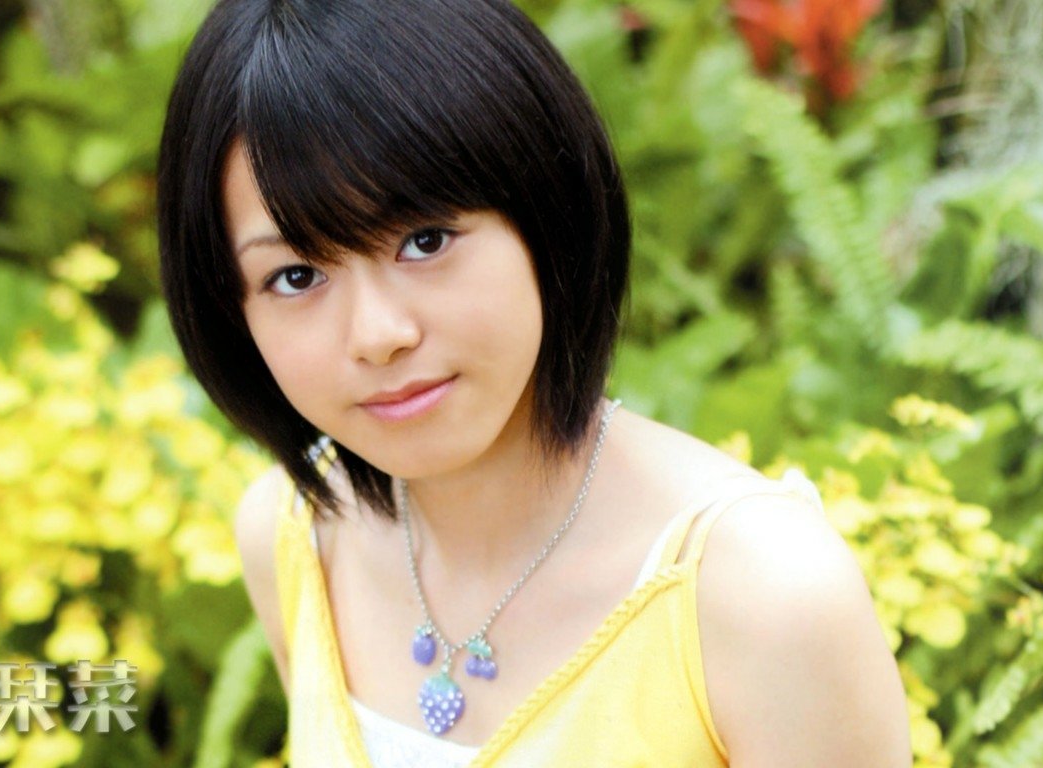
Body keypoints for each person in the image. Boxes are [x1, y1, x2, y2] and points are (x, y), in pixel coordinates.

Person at [156, 0, 912, 765]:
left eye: (425, 240)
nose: (378, 335)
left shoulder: (760, 594)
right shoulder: (295, 537)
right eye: (295, 275)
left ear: (547, 211)